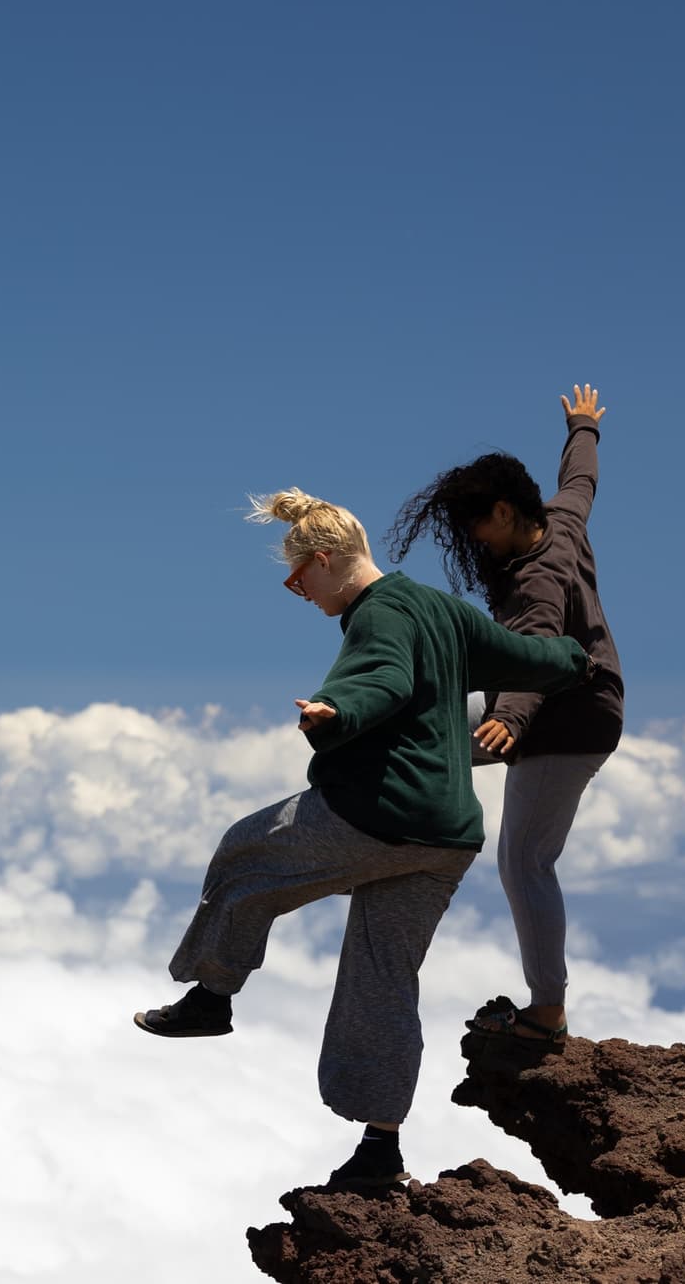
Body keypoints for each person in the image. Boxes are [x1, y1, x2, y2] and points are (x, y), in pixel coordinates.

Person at [134, 487, 593, 1189]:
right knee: (383, 979)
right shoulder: (442, 610)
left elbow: (382, 677)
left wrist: (335, 712)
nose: (298, 592)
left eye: (297, 579)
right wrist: (572, 656)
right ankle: (381, 1149)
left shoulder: (375, 616)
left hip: (378, 814)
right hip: (447, 836)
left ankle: (211, 997)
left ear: (323, 561)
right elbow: (522, 656)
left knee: (245, 852)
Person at [386, 386, 622, 1057]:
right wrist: (584, 428)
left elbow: (542, 644)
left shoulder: (534, 580)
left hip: (568, 722)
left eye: (475, 528)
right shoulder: (559, 519)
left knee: (524, 862)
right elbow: (580, 480)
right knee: (419, 726)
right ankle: (381, 837)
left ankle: (547, 1012)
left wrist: (513, 720)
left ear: (502, 511)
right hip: (555, 699)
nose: (472, 542)